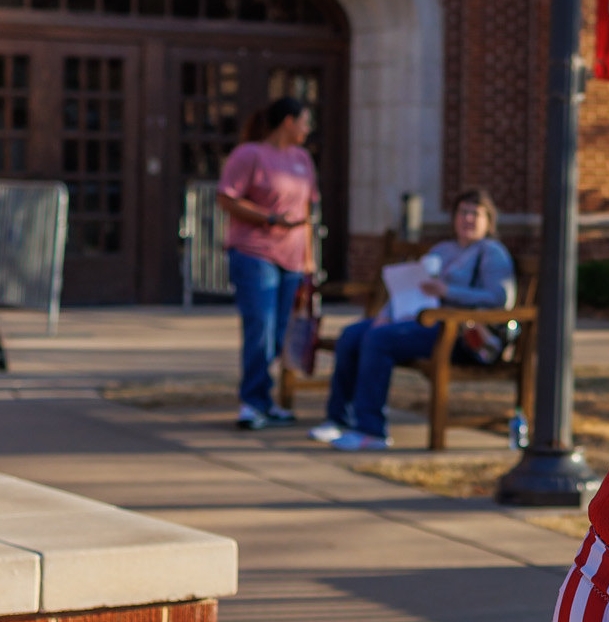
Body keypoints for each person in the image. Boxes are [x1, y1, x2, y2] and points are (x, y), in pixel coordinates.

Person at [312, 188, 515, 451]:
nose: (467, 219)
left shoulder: (491, 252)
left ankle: (372, 431)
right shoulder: (443, 249)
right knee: (354, 334)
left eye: (475, 214)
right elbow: (410, 287)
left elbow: (500, 297)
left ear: (489, 220)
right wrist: (384, 316)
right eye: (462, 212)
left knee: (378, 340)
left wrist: (448, 291)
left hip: (459, 334)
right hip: (423, 322)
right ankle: (339, 420)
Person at [217, 97, 317, 430]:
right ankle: (252, 403)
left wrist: (309, 262)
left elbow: (307, 214)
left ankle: (264, 399)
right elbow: (226, 198)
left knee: (279, 334)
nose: (308, 128)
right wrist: (269, 218)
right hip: (254, 253)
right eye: (304, 121)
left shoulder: (303, 159)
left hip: (292, 259)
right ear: (288, 122)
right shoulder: (250, 155)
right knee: (259, 326)